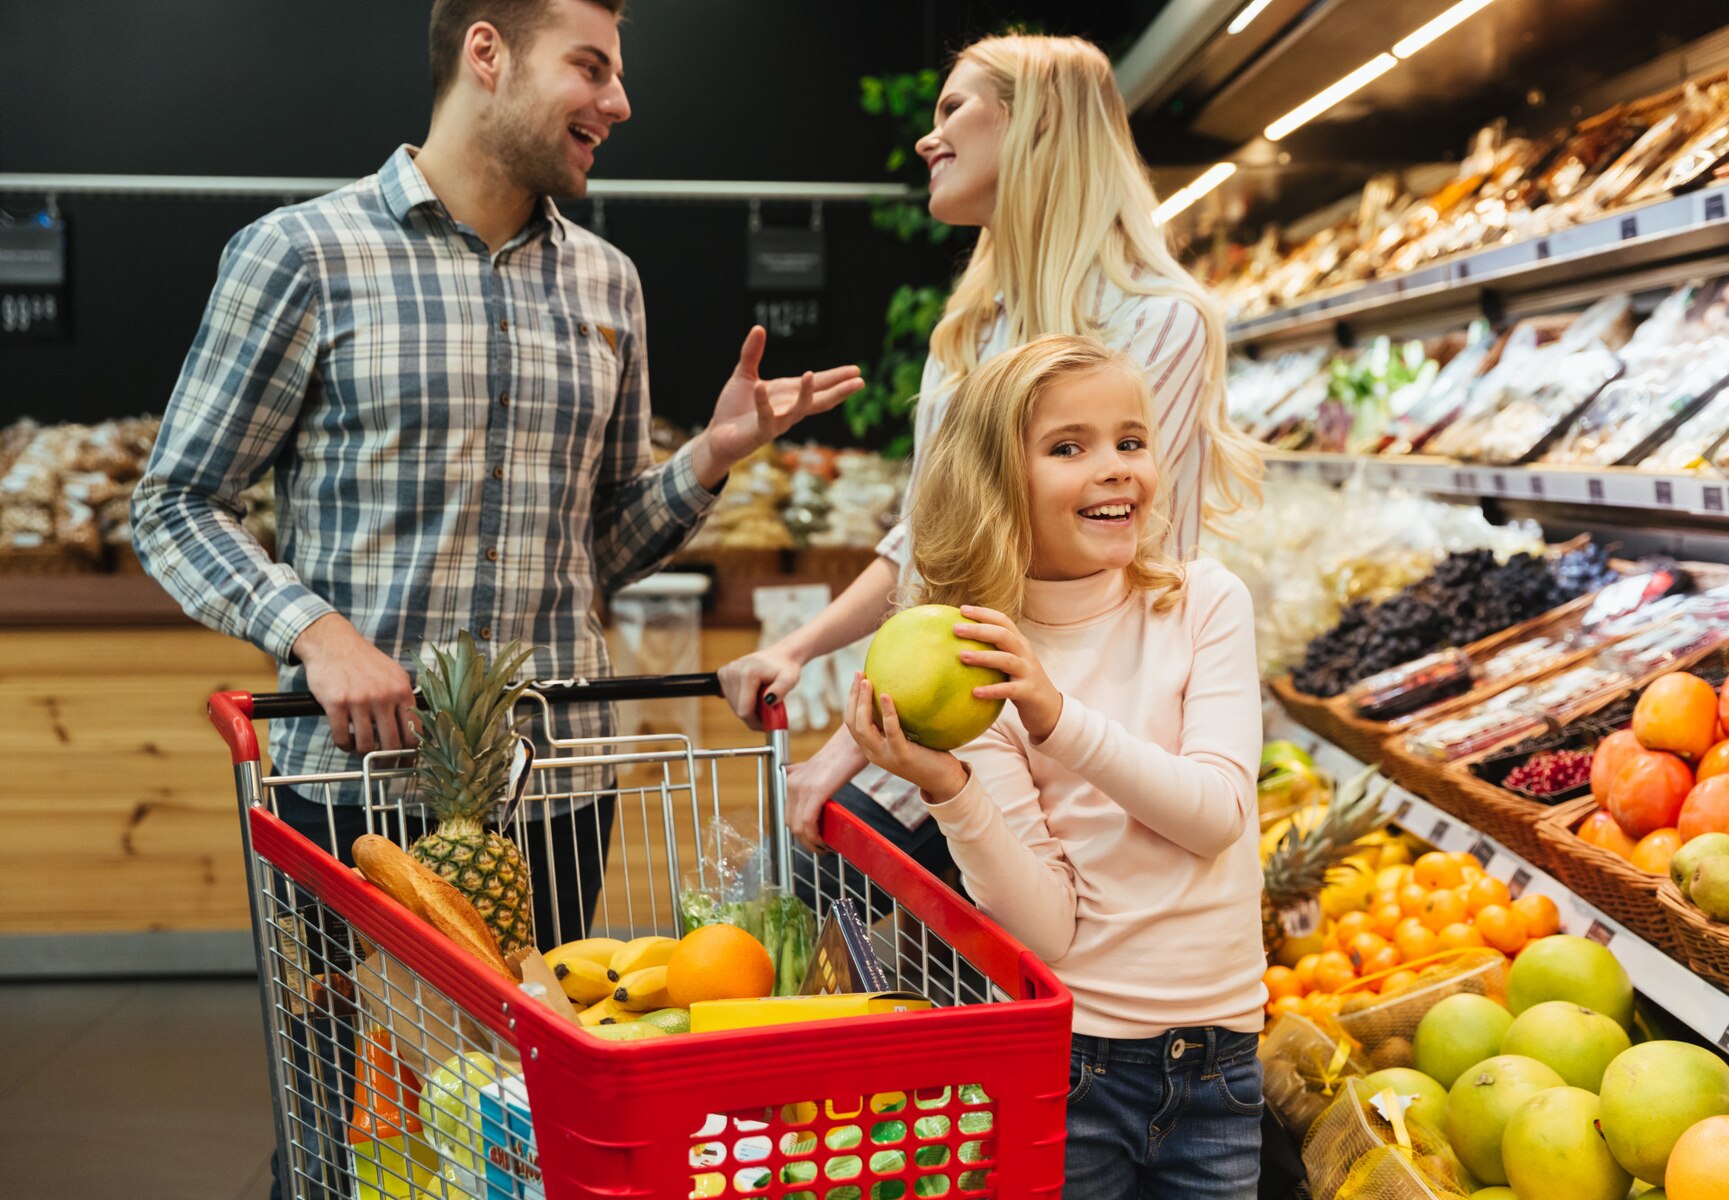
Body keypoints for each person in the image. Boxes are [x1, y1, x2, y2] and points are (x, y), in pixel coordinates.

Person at [132, 0, 862, 944]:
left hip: (556, 787)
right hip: (353, 785)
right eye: (591, 68)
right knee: (350, 1087)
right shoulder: (304, 255)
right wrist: (317, 634)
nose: (621, 102)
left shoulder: (608, 282)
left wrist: (709, 460)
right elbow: (176, 503)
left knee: (535, 1085)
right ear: (488, 53)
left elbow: (595, 549)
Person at [719, 32, 1262, 874]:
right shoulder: (968, 336)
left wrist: (852, 750)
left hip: (1100, 737)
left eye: (953, 109)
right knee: (803, 905)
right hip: (971, 715)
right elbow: (927, 548)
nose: (926, 138)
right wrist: (802, 647)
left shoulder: (1159, 323)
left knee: (809, 890)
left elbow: (1023, 560)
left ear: (1035, 125)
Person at [846, 334, 1265, 1197]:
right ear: (999, 481)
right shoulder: (982, 662)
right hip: (1076, 1065)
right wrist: (949, 789)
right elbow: (1048, 933)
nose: (1114, 468)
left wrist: (1057, 718)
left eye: (1131, 440)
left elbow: (1217, 812)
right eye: (1068, 448)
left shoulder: (1204, 604)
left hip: (1223, 1065)